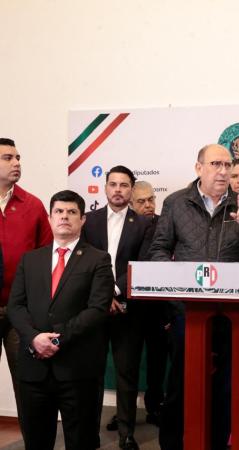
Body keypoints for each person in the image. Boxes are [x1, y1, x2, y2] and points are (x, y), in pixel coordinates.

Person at [149, 143, 239, 450]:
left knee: (224, 388)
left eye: (227, 165)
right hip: (186, 312)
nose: (223, 171)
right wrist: (177, 293)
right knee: (181, 383)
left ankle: (217, 443)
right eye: (216, 164)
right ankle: (172, 444)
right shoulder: (176, 202)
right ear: (199, 168)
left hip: (231, 314)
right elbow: (159, 249)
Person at [7, 190, 114, 450]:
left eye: (72, 212)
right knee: (36, 441)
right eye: (59, 211)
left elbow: (97, 309)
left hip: (77, 369)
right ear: (50, 218)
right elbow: (15, 306)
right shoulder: (30, 259)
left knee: (81, 441)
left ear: (82, 219)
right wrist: (34, 338)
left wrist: (57, 339)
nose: (64, 216)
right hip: (34, 369)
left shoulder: (99, 259)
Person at [82, 166, 155, 450]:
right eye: (113, 184)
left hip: (129, 309)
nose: (118, 190)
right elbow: (83, 262)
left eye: (124, 185)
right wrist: (102, 296)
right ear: (105, 188)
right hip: (94, 309)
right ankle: (89, 433)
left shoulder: (144, 224)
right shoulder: (89, 221)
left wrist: (113, 291)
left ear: (131, 190)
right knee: (92, 372)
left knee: (127, 373)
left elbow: (142, 263)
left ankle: (126, 433)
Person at [0, 137, 52, 419]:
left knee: (28, 385)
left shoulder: (33, 205)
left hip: (21, 312)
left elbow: (48, 258)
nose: (16, 163)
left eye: (18, 157)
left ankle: (33, 438)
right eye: (8, 158)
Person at [129, 179, 167, 427]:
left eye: (151, 199)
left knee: (157, 360)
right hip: (131, 306)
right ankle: (126, 412)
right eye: (141, 201)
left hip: (159, 306)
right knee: (128, 362)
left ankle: (155, 407)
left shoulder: (165, 223)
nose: (148, 205)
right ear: (131, 204)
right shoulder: (125, 227)